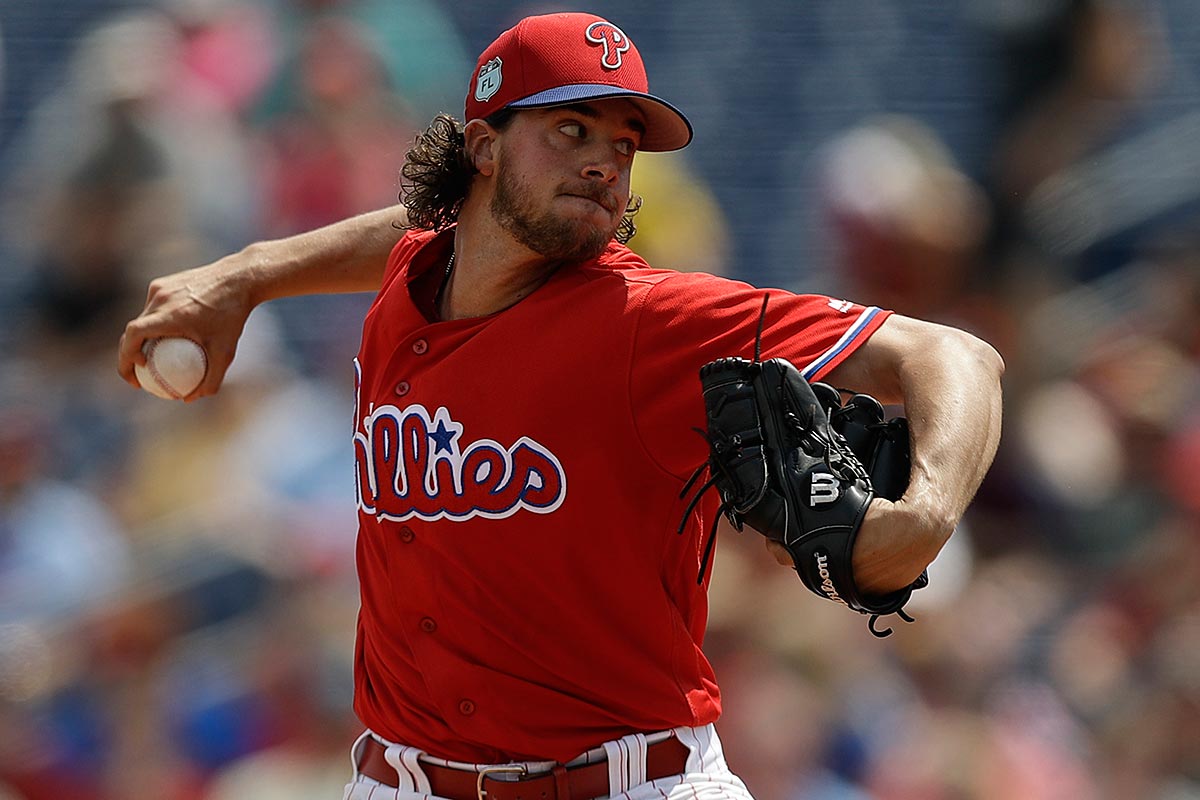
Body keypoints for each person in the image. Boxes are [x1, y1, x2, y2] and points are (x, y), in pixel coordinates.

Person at [117, 11, 1004, 800]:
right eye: (571, 129)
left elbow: (955, 355)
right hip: (399, 777)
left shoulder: (651, 319)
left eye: (623, 143)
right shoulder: (417, 273)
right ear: (483, 148)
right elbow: (422, 231)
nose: (602, 162)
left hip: (632, 778)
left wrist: (926, 514)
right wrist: (245, 275)